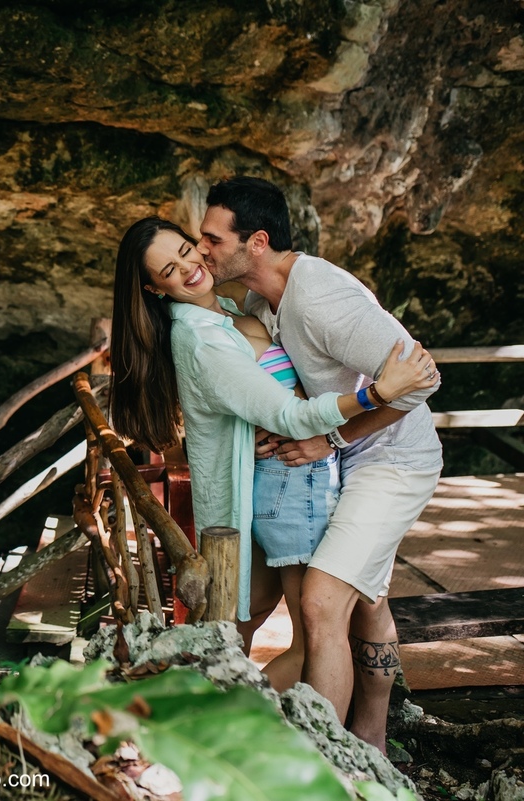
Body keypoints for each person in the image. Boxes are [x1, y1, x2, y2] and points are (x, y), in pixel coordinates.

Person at [109, 217, 438, 691]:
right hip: (291, 484)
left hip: (278, 481)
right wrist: (377, 393)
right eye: (168, 270)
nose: (189, 266)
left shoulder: (229, 311)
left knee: (242, 619)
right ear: (154, 288)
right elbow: (291, 417)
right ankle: (229, 726)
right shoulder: (203, 337)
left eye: (186, 250)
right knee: (313, 643)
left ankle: (193, 703)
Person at [197, 176, 443, 753]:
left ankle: (328, 759)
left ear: (255, 241)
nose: (202, 249)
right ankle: (371, 738)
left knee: (321, 602)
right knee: (366, 599)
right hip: (342, 459)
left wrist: (330, 440)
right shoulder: (263, 300)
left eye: (211, 238)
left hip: (392, 460)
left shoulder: (321, 298)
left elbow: (420, 381)